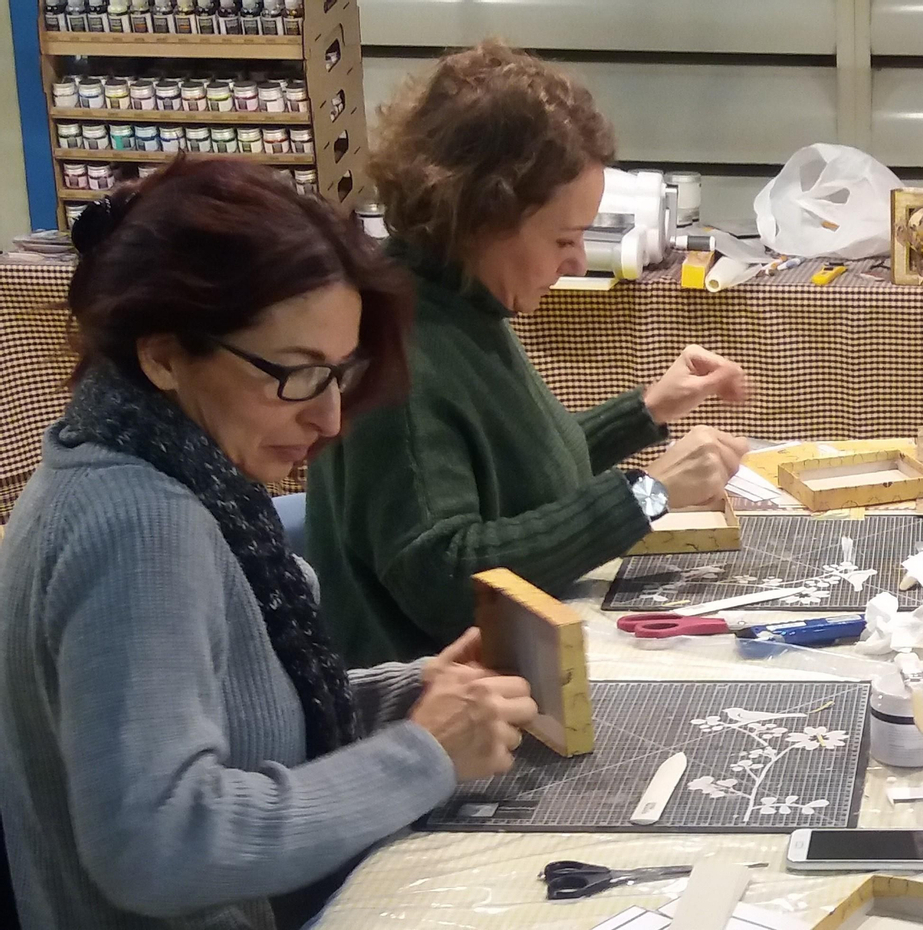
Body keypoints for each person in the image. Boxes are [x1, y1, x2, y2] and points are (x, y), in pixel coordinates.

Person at [0, 159, 539, 930]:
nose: (328, 421)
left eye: (339, 375)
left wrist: (405, 696)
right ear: (163, 355)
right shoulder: (140, 519)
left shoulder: (140, 457)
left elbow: (223, 722)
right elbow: (157, 841)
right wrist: (421, 755)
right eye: (294, 377)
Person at [305, 40, 751, 667]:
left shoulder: (462, 302)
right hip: (434, 709)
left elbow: (521, 473)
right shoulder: (404, 347)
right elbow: (446, 581)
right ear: (482, 216)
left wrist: (649, 410)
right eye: (564, 238)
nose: (574, 263)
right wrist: (647, 495)